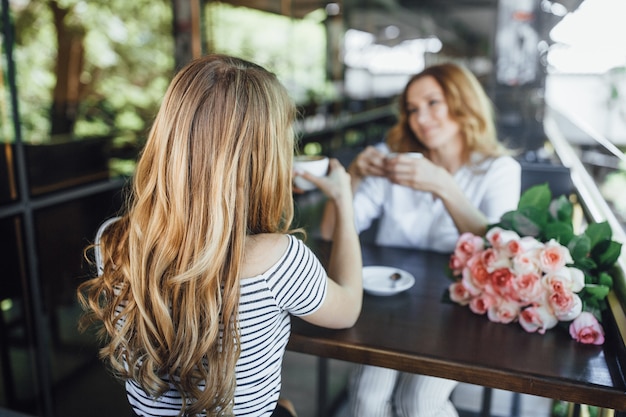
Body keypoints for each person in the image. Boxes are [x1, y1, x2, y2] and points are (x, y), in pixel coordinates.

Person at [77, 54, 363, 417]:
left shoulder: (114, 242)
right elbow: (348, 309)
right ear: (263, 157)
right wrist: (344, 199)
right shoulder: (276, 259)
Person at [320, 63, 521, 417]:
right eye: (412, 109)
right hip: (391, 307)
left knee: (418, 402)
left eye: (432, 103)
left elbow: (500, 250)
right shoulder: (393, 160)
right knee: (366, 398)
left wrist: (442, 185)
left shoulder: (499, 170)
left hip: (458, 310)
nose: (421, 118)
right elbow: (330, 233)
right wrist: (351, 179)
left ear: (462, 103)